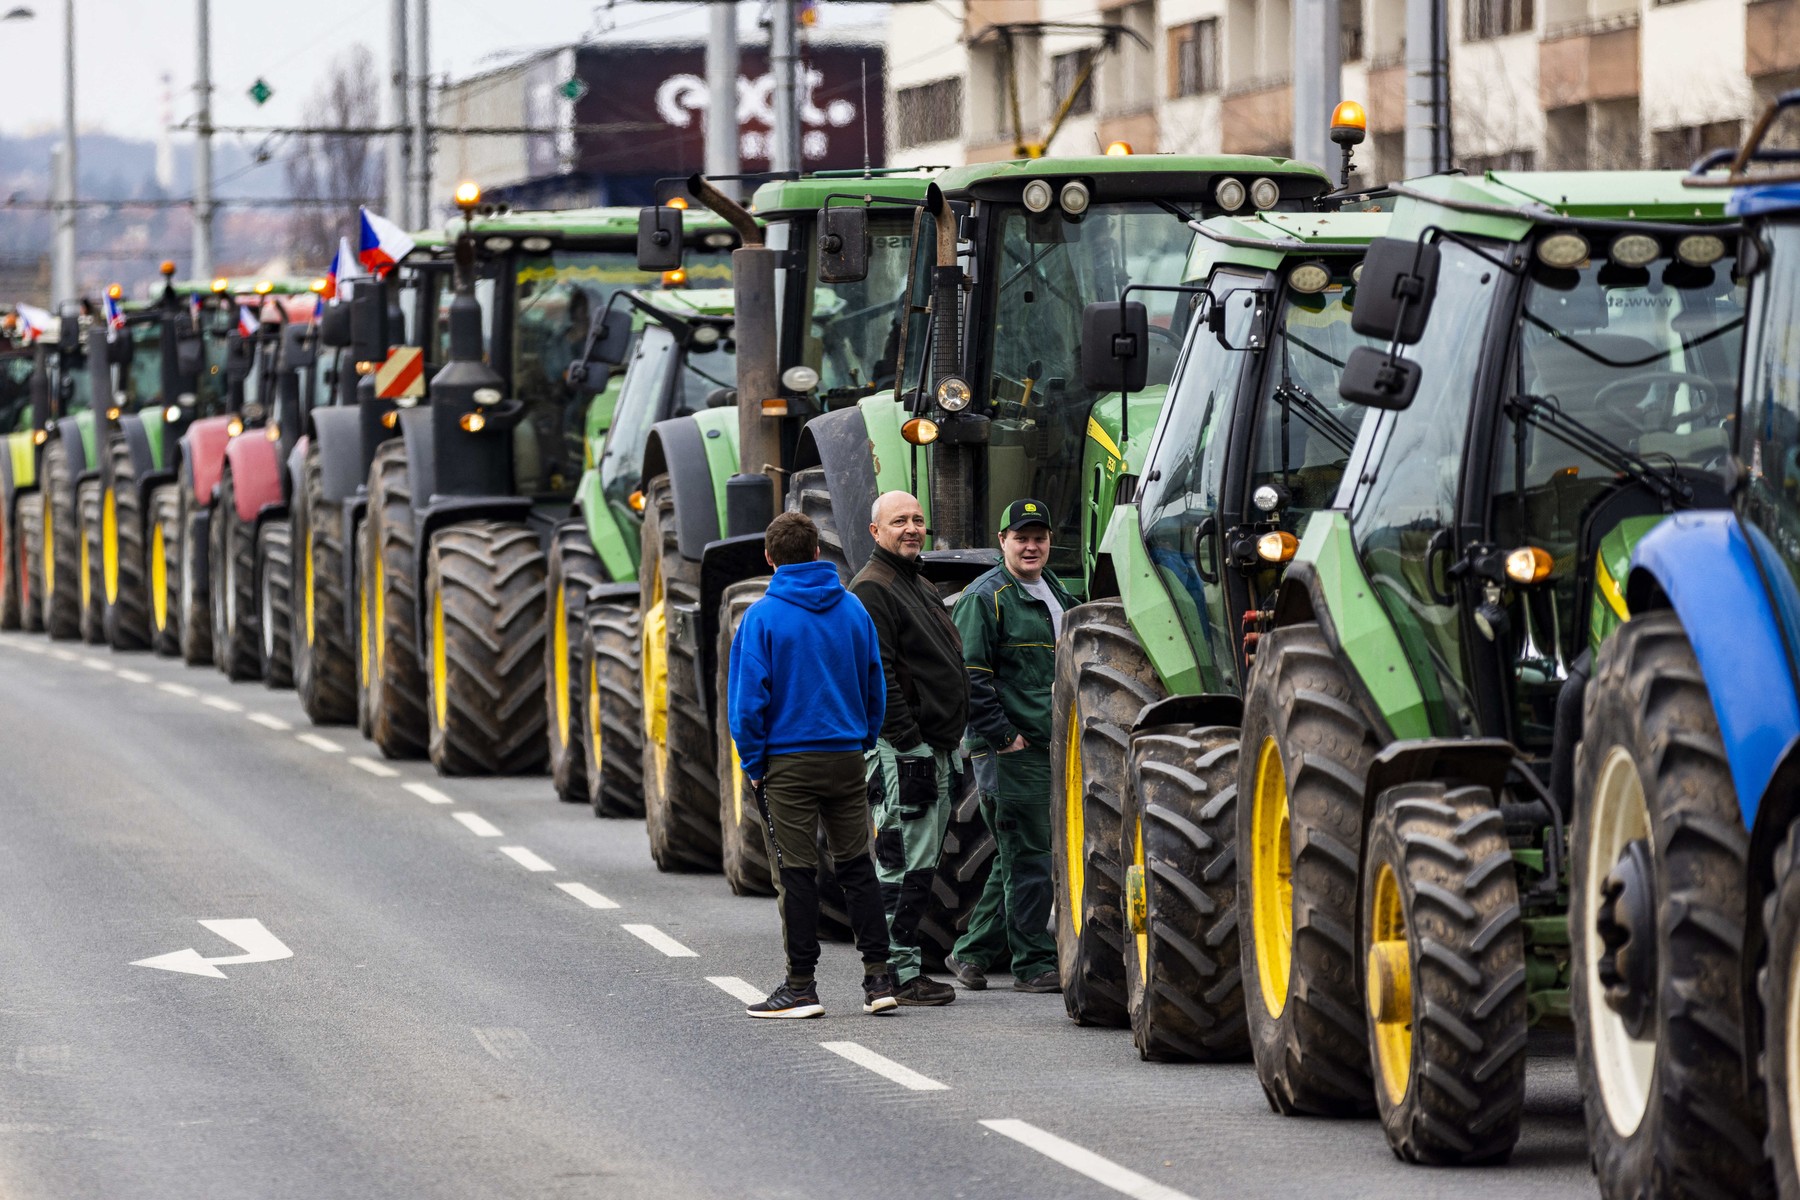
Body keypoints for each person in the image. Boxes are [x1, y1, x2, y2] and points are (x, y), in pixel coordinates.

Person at [728, 511, 896, 1018]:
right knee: (857, 867)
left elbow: (746, 706)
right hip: (846, 756)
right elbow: (875, 685)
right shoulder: (852, 610)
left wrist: (754, 763)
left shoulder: (762, 617)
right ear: (819, 553)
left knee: (795, 874)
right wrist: (861, 738)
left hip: (788, 764)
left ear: (769, 558)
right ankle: (878, 979)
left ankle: (801, 987)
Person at [944, 499, 1076, 994]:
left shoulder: (1054, 589)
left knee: (1014, 852)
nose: (1031, 545)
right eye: (1021, 537)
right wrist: (1004, 737)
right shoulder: (986, 597)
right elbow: (970, 677)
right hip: (1011, 750)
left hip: (1048, 745)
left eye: (1039, 537)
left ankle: (971, 953)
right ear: (1002, 542)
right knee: (1030, 857)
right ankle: (1033, 962)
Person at [849, 491, 968, 1006]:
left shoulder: (914, 580)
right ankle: (895, 971)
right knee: (901, 862)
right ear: (876, 532)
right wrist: (911, 744)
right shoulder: (874, 588)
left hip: (931, 747)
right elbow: (879, 677)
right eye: (899, 521)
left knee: (919, 862)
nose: (912, 528)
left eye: (919, 519)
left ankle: (903, 965)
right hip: (905, 753)